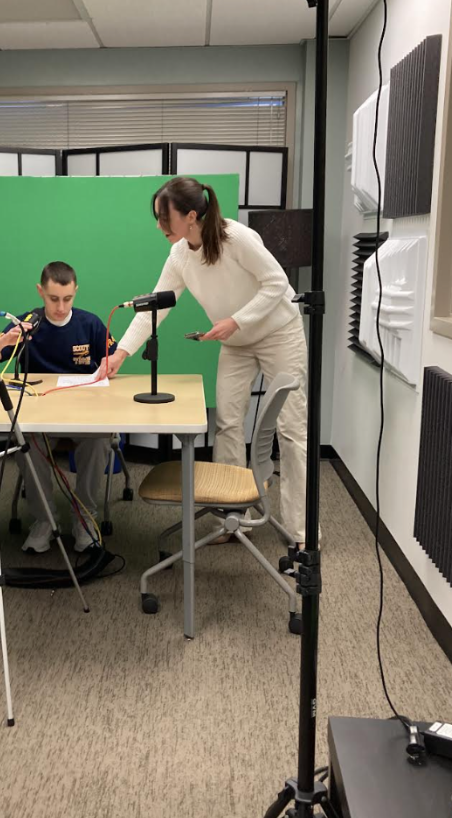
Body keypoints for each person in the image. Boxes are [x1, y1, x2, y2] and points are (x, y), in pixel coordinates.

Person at [101, 177, 310, 547]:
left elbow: (276, 283)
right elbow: (156, 306)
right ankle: (233, 519)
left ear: (191, 216)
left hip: (279, 332)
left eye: (164, 218)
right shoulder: (180, 254)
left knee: (292, 432)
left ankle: (301, 533)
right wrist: (121, 352)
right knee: (228, 423)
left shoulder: (236, 238)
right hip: (236, 341)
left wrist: (236, 320)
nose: (159, 226)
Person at [0, 261, 117, 554]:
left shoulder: (91, 324)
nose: (61, 307)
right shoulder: (25, 324)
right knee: (25, 442)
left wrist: (107, 367)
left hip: (84, 416)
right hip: (40, 418)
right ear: (40, 292)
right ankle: (44, 521)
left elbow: (113, 361)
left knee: (99, 440)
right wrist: (5, 342)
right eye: (53, 299)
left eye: (67, 299)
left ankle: (84, 517)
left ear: (75, 292)